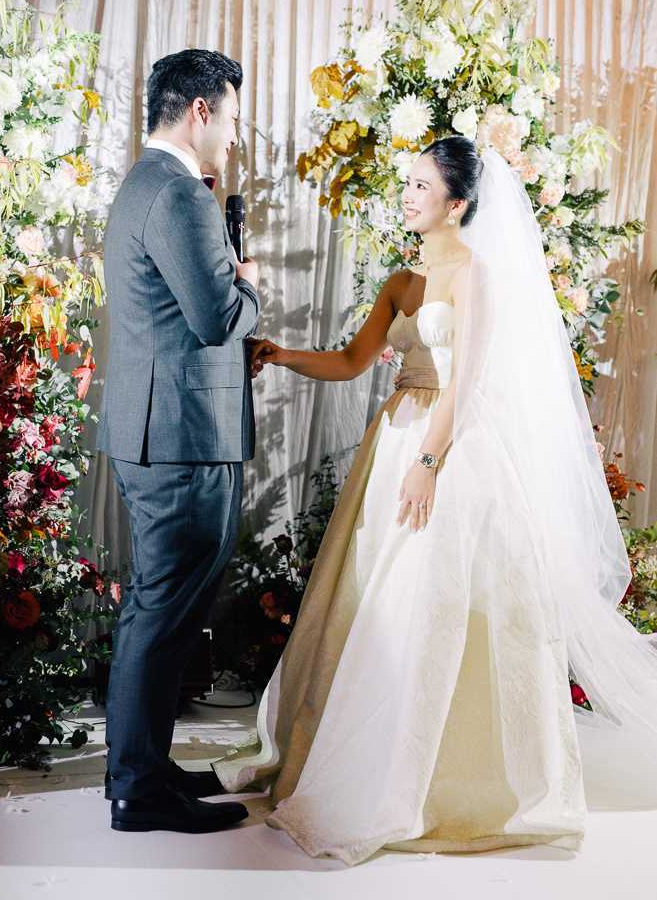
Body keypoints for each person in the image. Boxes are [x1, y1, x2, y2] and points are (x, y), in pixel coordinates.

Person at [213, 137, 657, 865]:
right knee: (380, 602)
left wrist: (428, 461)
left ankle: (450, 774)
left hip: (450, 449)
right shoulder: (400, 280)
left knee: (440, 599)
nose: (408, 195)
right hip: (392, 443)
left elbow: (466, 381)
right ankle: (369, 747)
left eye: (422, 186)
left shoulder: (475, 275)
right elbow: (355, 360)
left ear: (457, 203)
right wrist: (281, 353)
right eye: (407, 183)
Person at [97, 48, 259, 834]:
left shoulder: (139, 185)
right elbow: (217, 317)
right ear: (199, 111)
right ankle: (138, 788)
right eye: (229, 117)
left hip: (152, 428)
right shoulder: (181, 196)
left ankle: (144, 768)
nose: (232, 136)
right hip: (181, 439)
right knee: (162, 613)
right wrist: (250, 282)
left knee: (155, 610)